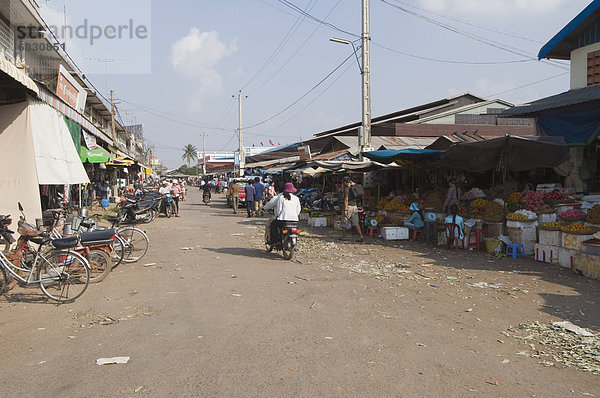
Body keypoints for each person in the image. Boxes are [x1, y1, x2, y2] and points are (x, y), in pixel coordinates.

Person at [341, 176, 364, 242]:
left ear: (345, 182)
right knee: (356, 223)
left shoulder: (347, 189)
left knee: (344, 222)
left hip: (348, 207)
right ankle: (361, 236)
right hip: (355, 207)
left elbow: (346, 200)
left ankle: (344, 236)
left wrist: (345, 210)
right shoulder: (354, 187)